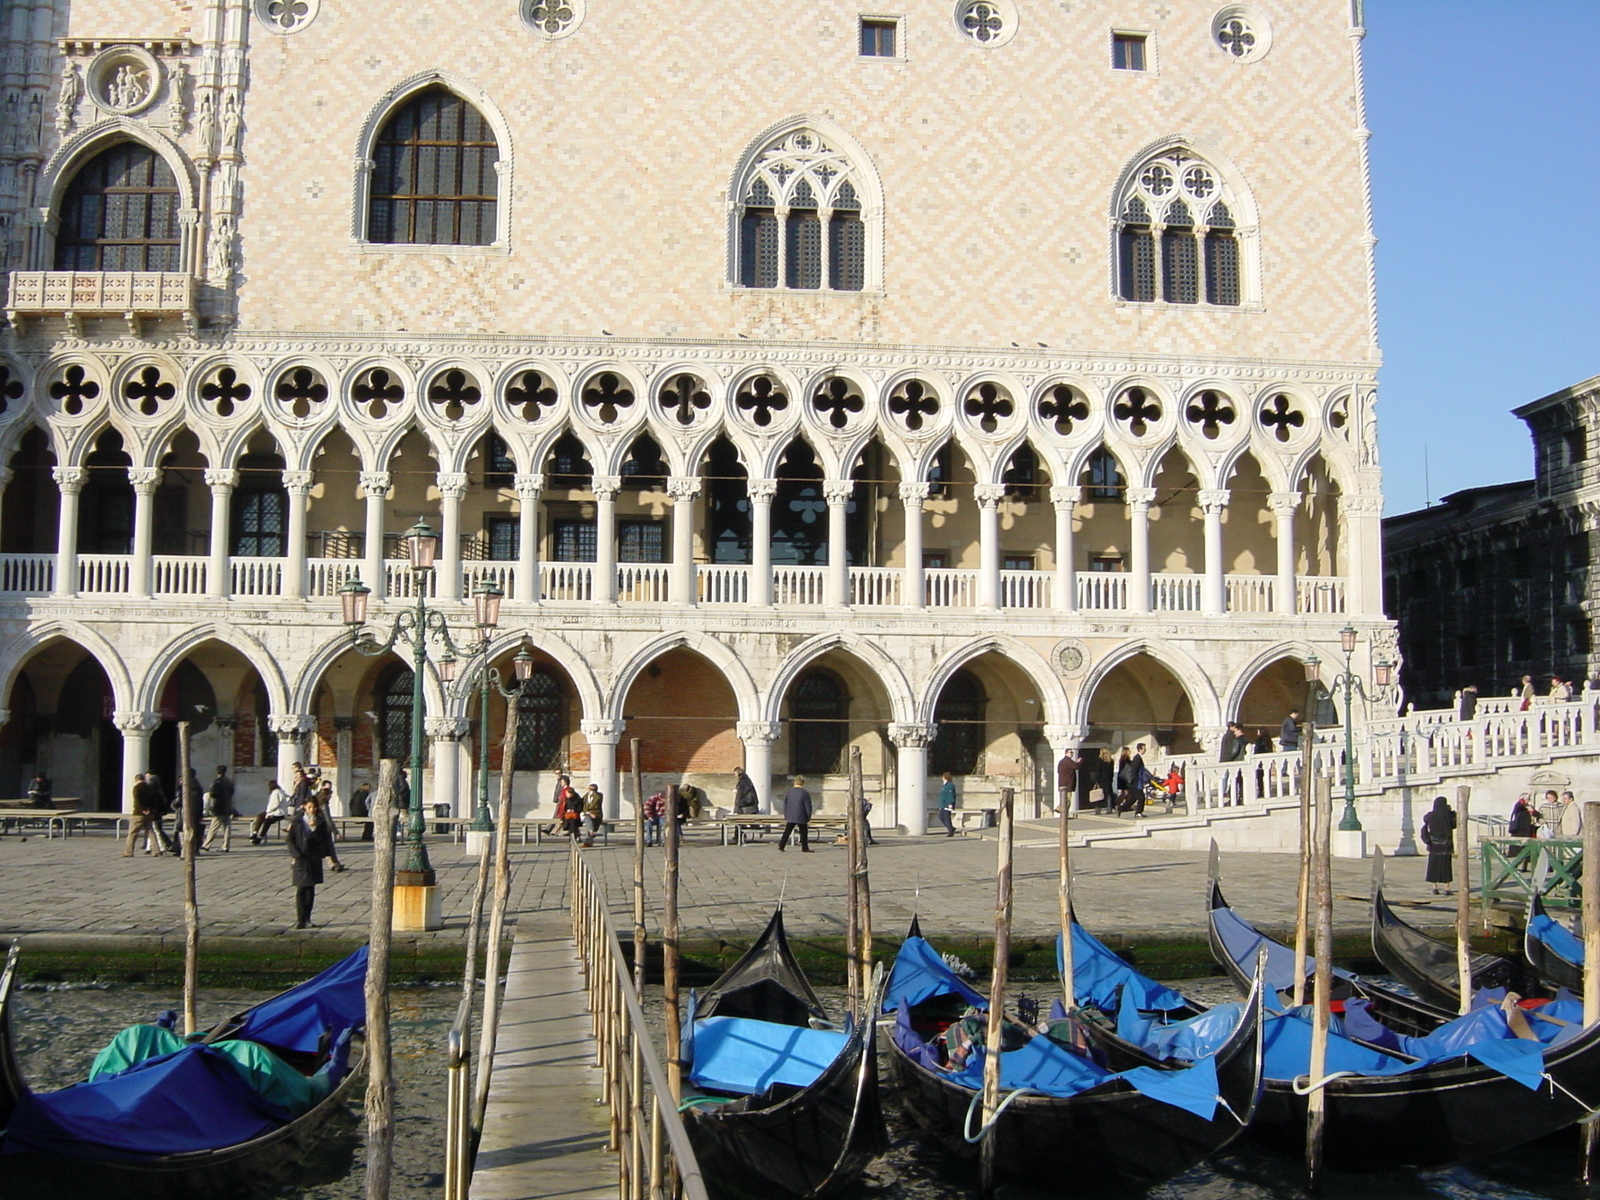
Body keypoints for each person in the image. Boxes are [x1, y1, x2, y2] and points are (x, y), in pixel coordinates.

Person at [287, 797, 336, 929]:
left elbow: (324, 841)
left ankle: (307, 918)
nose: (312, 810)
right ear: (304, 807)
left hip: (313, 858)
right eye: (309, 807)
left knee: (310, 889)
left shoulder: (320, 822)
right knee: (300, 889)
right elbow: (290, 839)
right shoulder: (297, 821)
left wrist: (314, 830)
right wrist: (296, 854)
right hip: (300, 858)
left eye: (314, 807)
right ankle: (300, 919)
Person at [1421, 796, 1456, 895]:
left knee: (1433, 867)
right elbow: (1455, 823)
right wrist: (1450, 811)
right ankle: (1447, 888)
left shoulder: (1430, 816)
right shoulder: (1448, 817)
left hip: (1434, 846)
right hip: (1446, 847)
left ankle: (1434, 888)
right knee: (1446, 867)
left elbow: (1425, 821)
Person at [122, 773, 164, 856]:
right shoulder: (149, 787)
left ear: (136, 780)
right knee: (150, 832)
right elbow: (153, 799)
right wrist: (149, 809)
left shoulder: (137, 788)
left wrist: (143, 809)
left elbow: (137, 800)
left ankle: (129, 852)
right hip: (150, 813)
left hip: (138, 813)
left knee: (133, 833)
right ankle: (156, 850)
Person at [201, 765, 235, 852]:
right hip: (227, 807)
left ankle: (207, 844)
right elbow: (232, 793)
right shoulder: (229, 782)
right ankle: (226, 846)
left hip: (218, 808)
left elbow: (213, 794)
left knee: (214, 827)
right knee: (227, 828)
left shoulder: (217, 782)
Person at [779, 775, 813, 852]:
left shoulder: (789, 792)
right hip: (801, 815)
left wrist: (786, 814)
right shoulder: (804, 793)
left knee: (787, 831)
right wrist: (808, 816)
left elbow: (785, 804)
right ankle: (805, 847)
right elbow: (808, 806)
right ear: (803, 783)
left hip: (790, 815)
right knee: (803, 833)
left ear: (794, 782)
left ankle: (781, 845)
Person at [1056, 749, 1083, 815]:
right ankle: (1062, 811)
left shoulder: (1062, 761)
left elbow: (1059, 771)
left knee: (1064, 799)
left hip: (1062, 783)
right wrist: (1079, 761)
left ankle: (1061, 809)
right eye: (1070, 752)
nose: (1072, 754)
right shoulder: (1068, 761)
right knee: (1067, 800)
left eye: (1072, 752)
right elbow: (1076, 766)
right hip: (1067, 784)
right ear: (1066, 753)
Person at [580, 783, 605, 847]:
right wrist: (589, 813)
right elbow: (583, 806)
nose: (591, 791)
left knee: (589, 822)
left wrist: (593, 793)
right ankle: (590, 835)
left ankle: (589, 840)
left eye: (593, 790)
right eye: (590, 789)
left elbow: (595, 805)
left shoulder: (599, 795)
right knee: (588, 819)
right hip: (588, 814)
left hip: (596, 814)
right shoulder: (586, 796)